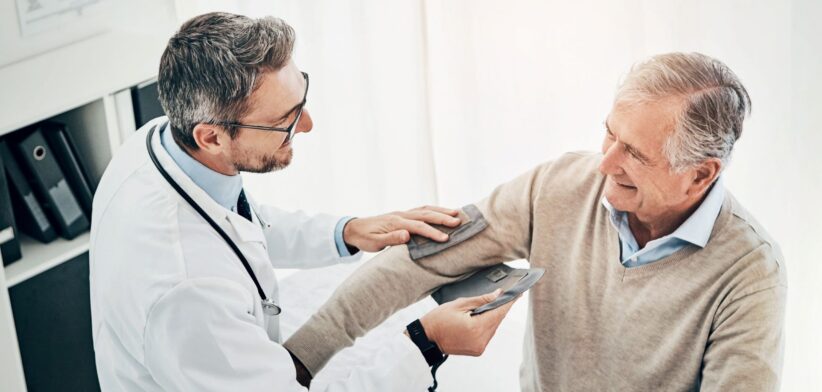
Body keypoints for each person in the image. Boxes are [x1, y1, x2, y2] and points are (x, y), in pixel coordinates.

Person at [284, 52, 788, 391]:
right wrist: (299, 361)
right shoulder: (558, 185)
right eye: (608, 134)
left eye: (633, 153)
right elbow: (421, 261)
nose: (605, 164)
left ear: (700, 174)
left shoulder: (749, 270)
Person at [89, 12, 516, 391]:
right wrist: (427, 344)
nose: (307, 125)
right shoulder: (188, 294)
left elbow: (239, 223)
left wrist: (346, 232)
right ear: (212, 136)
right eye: (285, 121)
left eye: (301, 99)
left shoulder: (163, 141)